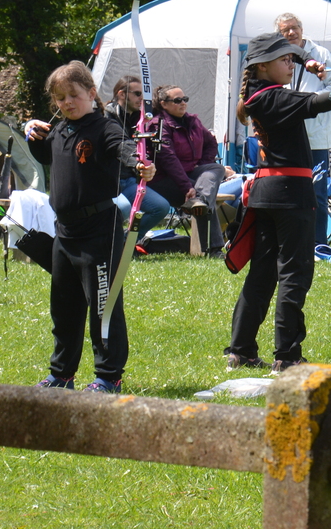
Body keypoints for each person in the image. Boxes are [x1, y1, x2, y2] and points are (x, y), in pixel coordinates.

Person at [225, 32, 331, 372]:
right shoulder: (275, 97)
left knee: (262, 273)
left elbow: (296, 68)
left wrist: (305, 61)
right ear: (262, 66)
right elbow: (318, 102)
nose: (290, 63)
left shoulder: (257, 95)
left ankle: (241, 350)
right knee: (294, 273)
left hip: (267, 193)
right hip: (291, 193)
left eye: (290, 58)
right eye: (283, 60)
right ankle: (287, 355)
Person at [23, 62, 155, 393]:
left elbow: (124, 148)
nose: (67, 102)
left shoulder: (104, 127)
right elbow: (45, 152)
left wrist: (139, 163)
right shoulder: (60, 130)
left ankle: (108, 377)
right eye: (60, 98)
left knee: (103, 307)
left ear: (92, 93)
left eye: (74, 95)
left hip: (98, 232)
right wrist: (31, 131)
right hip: (65, 233)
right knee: (64, 308)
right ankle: (61, 374)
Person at [275, 12, 331, 241]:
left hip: (316, 137)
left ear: (301, 29)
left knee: (317, 192)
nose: (291, 32)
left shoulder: (321, 54)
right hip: (286, 136)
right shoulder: (278, 56)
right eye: (285, 30)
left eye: (294, 27)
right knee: (289, 190)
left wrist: (309, 102)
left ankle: (318, 244)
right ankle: (292, 241)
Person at [151, 85, 231, 254]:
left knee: (217, 168)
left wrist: (202, 164)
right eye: (177, 100)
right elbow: (168, 160)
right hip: (163, 179)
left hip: (190, 174)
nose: (183, 103)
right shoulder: (158, 125)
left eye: (185, 99)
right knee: (203, 197)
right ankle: (214, 249)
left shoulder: (193, 121)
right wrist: (187, 187)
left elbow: (211, 143)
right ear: (163, 104)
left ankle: (199, 201)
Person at [104, 76, 174, 239]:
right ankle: (107, 244)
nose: (141, 99)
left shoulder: (138, 117)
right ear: (122, 94)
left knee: (160, 207)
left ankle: (127, 242)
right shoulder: (106, 117)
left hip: (128, 180)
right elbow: (120, 146)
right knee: (123, 209)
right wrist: (136, 161)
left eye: (143, 95)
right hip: (108, 182)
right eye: (137, 94)